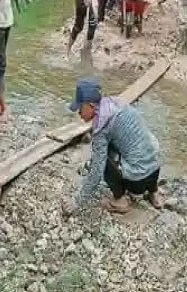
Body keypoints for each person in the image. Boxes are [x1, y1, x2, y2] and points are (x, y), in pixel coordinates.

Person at [62, 77, 163, 216]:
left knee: (102, 156)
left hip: (137, 183)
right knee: (139, 144)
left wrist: (76, 202)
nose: (78, 112)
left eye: (80, 108)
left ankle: (119, 200)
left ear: (91, 105)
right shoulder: (116, 104)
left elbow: (97, 173)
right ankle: (154, 193)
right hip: (156, 169)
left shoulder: (101, 129)